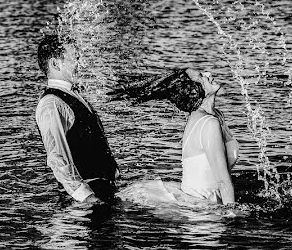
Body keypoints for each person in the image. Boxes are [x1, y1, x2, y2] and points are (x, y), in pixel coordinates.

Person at [122, 68, 239, 205]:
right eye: (201, 76)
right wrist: (232, 216)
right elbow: (222, 182)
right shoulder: (208, 123)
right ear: (194, 90)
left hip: (211, 200)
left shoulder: (216, 115)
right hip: (202, 209)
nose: (208, 74)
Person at [34, 34, 119, 203]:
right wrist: (86, 198)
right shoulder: (52, 104)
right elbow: (57, 158)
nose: (80, 64)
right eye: (74, 58)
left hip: (102, 193)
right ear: (55, 64)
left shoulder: (72, 95)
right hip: (83, 203)